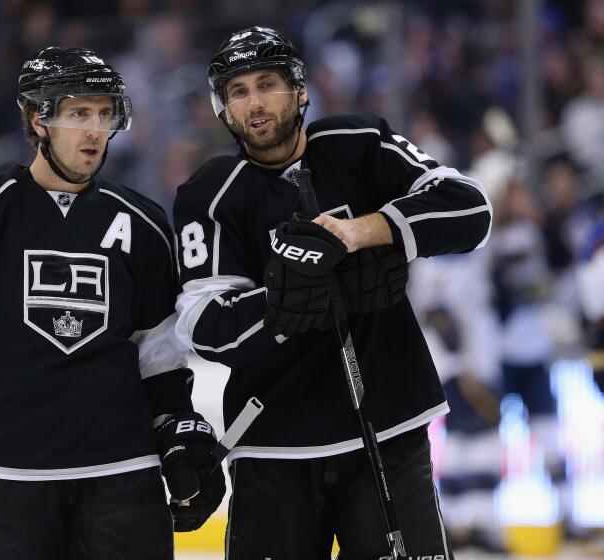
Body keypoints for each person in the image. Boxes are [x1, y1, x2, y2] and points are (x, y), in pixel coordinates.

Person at [0, 47, 224, 560]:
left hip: (123, 480)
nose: (94, 131)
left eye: (105, 115)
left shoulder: (144, 223)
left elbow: (159, 358)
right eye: (79, 113)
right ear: (38, 119)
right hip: (1, 484)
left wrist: (175, 426)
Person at [173, 27, 492, 559]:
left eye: (267, 84)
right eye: (238, 92)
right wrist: (289, 290)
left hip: (390, 427)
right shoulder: (209, 195)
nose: (255, 103)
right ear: (222, 109)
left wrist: (358, 233)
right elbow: (206, 329)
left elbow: (469, 209)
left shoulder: (360, 143)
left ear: (300, 90)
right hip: (274, 442)